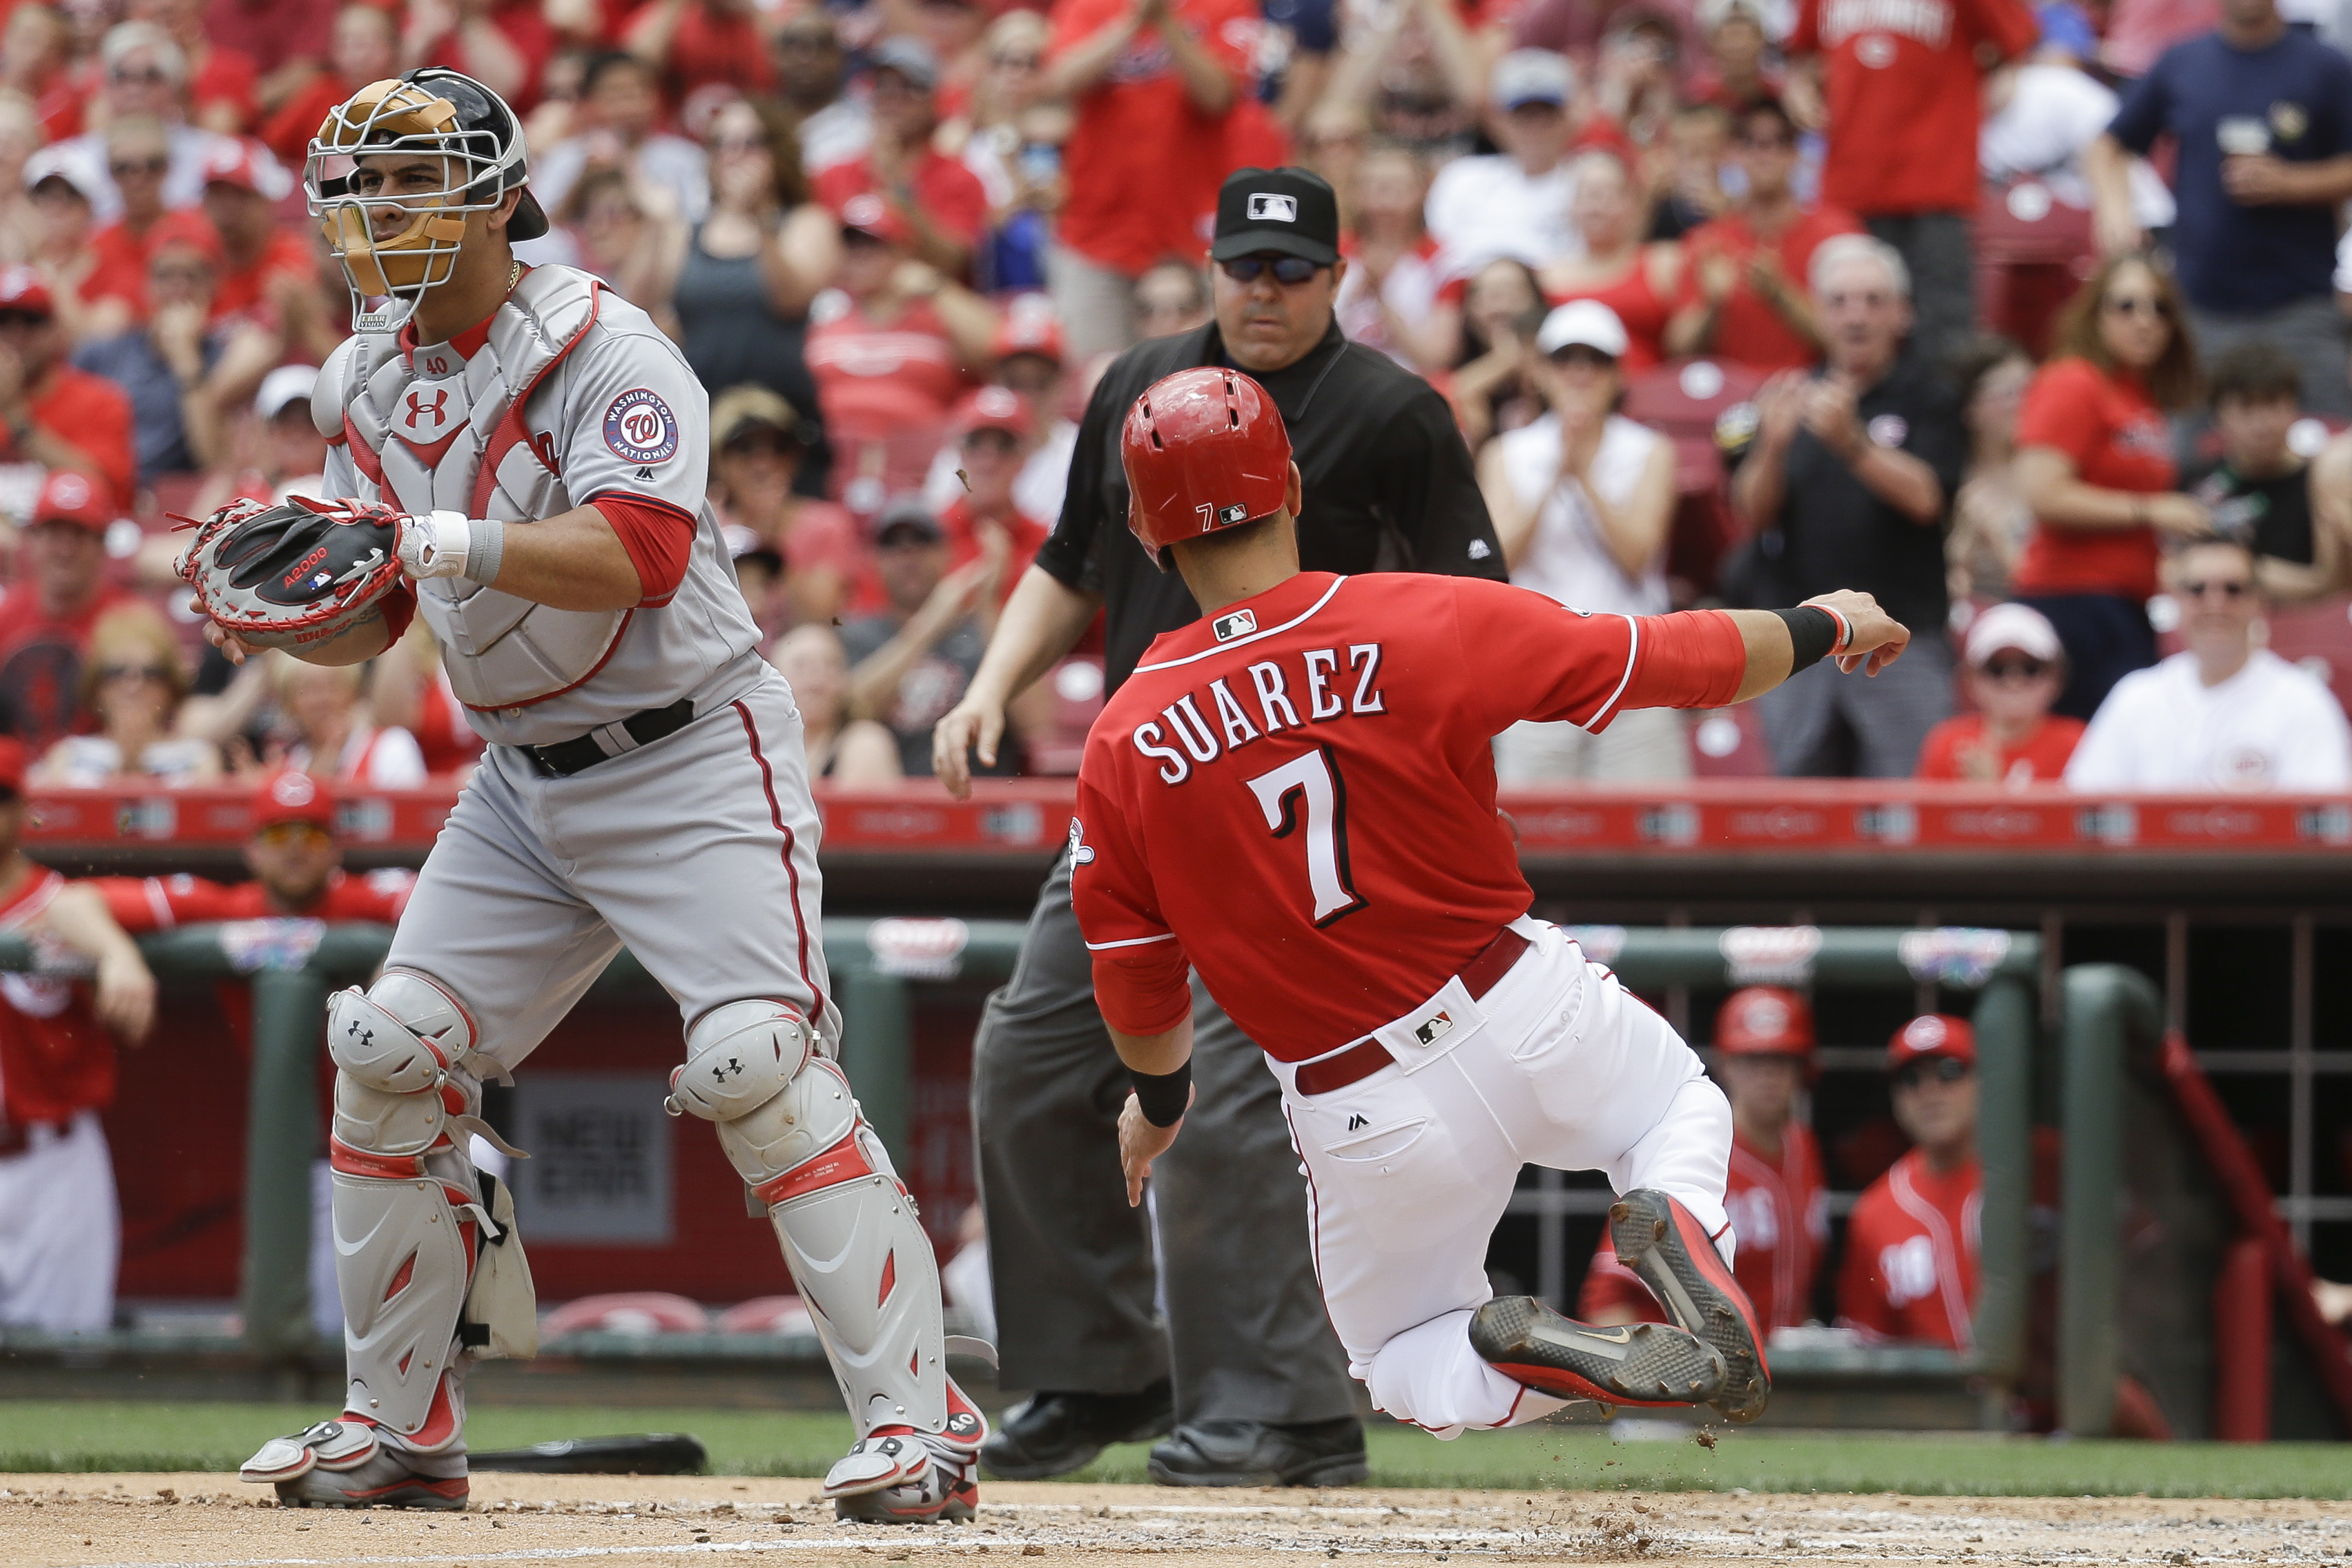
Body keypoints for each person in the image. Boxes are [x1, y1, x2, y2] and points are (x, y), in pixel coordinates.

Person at [222, 68, 984, 1522]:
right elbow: (385, 606)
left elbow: (635, 548)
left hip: (689, 748)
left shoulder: (602, 345)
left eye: (415, 179)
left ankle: (920, 1426)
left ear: (504, 195)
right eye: (364, 184)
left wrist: (434, 540)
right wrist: (299, 619)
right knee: (392, 1049)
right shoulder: (359, 379)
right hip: (521, 775)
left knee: (762, 1060)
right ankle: (401, 1423)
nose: (382, 210)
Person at [1076, 364, 1916, 1438]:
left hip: (1357, 1099)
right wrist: (1822, 624)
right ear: (1290, 484)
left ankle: (1572, 1361)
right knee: (1675, 1114)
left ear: (1149, 539)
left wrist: (1157, 1104)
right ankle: (1676, 1233)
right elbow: (1668, 659)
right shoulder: (1420, 615)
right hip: (1522, 999)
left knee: (1395, 1353)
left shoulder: (1123, 735)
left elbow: (1135, 977)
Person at [933, 166, 1504, 1490]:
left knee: (1235, 1102)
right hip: (1147, 784)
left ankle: (1284, 1411)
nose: (1263, 290)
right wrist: (985, 688)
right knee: (1027, 1058)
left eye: (1290, 270)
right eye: (1243, 266)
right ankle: (1093, 1372)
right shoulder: (1137, 379)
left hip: (1301, 808)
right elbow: (1073, 562)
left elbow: (1470, 621)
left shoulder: (1392, 411)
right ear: (1208, 263)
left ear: (1336, 276)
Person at [1728, 236, 1966, 776]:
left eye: (1872, 301)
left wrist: (1852, 443)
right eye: (1838, 302)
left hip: (1900, 638)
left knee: (1908, 807)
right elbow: (1750, 514)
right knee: (1797, 814)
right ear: (1818, 313)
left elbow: (1929, 499)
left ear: (1902, 314)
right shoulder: (1786, 396)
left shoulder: (1931, 396)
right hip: (1798, 639)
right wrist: (1772, 447)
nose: (1855, 316)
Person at [2086, 0, 2352, 417]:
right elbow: (2109, 146)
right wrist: (2116, 212)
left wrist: (2290, 182)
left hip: (2300, 304)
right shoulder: (2184, 61)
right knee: (2191, 455)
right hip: (2200, 307)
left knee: (2327, 440)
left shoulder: (2326, 66)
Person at [1481, 300, 1685, 781]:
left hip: (1633, 665)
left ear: (1617, 374)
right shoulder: (1506, 453)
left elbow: (1639, 555)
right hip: (1535, 669)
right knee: (1534, 838)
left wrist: (1584, 477)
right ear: (1543, 373)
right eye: (1565, 361)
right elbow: (1498, 561)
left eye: (1594, 361)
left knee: (1645, 833)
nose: (1579, 373)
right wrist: (1556, 474)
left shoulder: (1650, 451)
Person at [0, 736, 158, 1334]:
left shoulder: (61, 904)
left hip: (53, 1162)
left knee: (66, 1365)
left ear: (21, 809)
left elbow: (136, 1025)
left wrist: (116, 954)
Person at [1785, 0, 2034, 369]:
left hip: (1937, 187)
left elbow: (2016, 43)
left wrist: (1979, 102)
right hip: (1852, 185)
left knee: (1943, 343)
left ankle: (1937, 427)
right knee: (1848, 335)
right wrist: (1801, 93)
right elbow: (1801, 56)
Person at [2010, 255, 2207, 721]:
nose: (2145, 321)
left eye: (2159, 308)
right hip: (2071, 602)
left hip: (2124, 604)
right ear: (2094, 314)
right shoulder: (2072, 380)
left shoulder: (2140, 397)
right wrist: (2152, 511)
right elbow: (2043, 494)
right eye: (2126, 306)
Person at [1578, 987, 1829, 1339]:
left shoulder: (1804, 1149)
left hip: (1770, 1372)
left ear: (1803, 1069)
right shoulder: (1688, 1149)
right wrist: (1653, 1376)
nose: (1768, 1075)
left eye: (1781, 1060)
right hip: (1692, 1373)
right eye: (1752, 1060)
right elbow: (1606, 1297)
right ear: (1726, 1064)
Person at [1043, 0, 1250, 357]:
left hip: (1192, 233)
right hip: (1097, 232)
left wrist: (1166, 22)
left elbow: (1218, 96)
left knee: (1199, 379)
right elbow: (1062, 80)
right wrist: (1133, 20)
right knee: (1099, 379)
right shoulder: (1087, 6)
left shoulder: (1226, 6)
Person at [2066, 536, 2352, 790]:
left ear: (2258, 601)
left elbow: (2320, 822)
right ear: (2176, 598)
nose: (2215, 604)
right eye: (2197, 589)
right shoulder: (2135, 696)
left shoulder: (2302, 699)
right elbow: (2086, 802)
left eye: (2233, 589)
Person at [658, 97, 833, 438]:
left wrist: (759, 222)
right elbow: (653, 311)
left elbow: (790, 300)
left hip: (783, 416)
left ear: (778, 151)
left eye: (750, 144)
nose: (733, 155)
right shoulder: (685, 231)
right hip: (701, 414)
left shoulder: (806, 222)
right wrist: (655, 222)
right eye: (720, 144)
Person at [804, 197, 995, 507]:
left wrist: (937, 288)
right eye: (852, 244)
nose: (860, 254)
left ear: (903, 251)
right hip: (833, 467)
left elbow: (995, 348)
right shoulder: (826, 310)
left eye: (874, 243)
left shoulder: (934, 308)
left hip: (924, 473)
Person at [1666, 98, 1859, 373]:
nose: (1764, 153)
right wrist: (1714, 305)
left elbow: (1849, 340)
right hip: (1728, 398)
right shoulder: (1707, 242)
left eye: (1778, 142)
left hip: (1811, 388)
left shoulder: (1837, 235)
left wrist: (1779, 293)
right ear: (1734, 154)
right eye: (1751, 142)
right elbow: (1679, 349)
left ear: (1797, 154)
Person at [93, 771, 415, 929]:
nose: (295, 849)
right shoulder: (229, 908)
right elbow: (75, 903)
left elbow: (456, 909)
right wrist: (116, 956)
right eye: (278, 836)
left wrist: (397, 960)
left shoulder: (361, 900)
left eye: (312, 835)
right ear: (252, 851)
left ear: (336, 851)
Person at [1837, 1016, 1983, 1347]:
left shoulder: (2039, 1169)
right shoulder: (1874, 1213)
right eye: (1912, 1079)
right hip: (1937, 1398)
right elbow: (1869, 1346)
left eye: (1949, 1072)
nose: (1930, 1092)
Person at [842, 498, 1004, 778]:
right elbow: (851, 709)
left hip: (980, 801)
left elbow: (1037, 723)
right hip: (887, 805)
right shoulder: (853, 636)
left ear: (947, 553)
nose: (909, 557)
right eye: (894, 547)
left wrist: (989, 601)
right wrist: (932, 623)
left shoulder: (982, 630)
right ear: (874, 560)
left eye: (922, 543)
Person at [810, 39, 989, 280]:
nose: (893, 98)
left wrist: (900, 192)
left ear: (932, 100)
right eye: (882, 86)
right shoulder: (833, 174)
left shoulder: (960, 178)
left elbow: (952, 263)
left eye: (908, 88)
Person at [0, 470, 134, 755]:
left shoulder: (129, 623)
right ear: (31, 541)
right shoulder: (6, 617)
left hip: (98, 775)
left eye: (78, 534)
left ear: (102, 545)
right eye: (53, 533)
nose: (64, 549)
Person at [2191, 341, 2333, 602]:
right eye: (2246, 407)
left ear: (2295, 408)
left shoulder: (2323, 486)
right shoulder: (2196, 483)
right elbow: (2172, 569)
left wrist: (2231, 569)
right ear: (2217, 415)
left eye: (2274, 403)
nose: (2262, 423)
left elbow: (2331, 584)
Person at [1423, 50, 1581, 277]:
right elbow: (1439, 262)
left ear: (1568, 118)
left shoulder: (1586, 185)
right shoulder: (1462, 179)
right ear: (1499, 121)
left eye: (1547, 115)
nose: (1535, 128)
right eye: (1523, 116)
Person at [32, 602, 220, 786]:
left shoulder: (198, 758)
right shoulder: (66, 757)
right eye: (117, 672)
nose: (133, 686)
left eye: (149, 672)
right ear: (97, 687)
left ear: (169, 687)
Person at [0, 268, 138, 508]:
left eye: (31, 321)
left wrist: (15, 414)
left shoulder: (101, 400)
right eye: (4, 323)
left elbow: (106, 494)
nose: (16, 336)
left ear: (57, 331)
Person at [1534, 150, 1680, 373]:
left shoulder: (1664, 263)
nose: (1597, 205)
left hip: (1652, 395)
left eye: (1607, 194)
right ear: (1571, 207)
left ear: (1631, 204)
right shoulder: (1544, 277)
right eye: (1587, 194)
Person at [528, 50, 708, 228]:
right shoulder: (566, 156)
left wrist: (631, 174)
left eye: (633, 95)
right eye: (614, 96)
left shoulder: (684, 157)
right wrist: (583, 178)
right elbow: (541, 229)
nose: (626, 107)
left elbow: (698, 222)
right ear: (589, 103)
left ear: (655, 99)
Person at [1914, 601, 2083, 783]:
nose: (2014, 682)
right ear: (1970, 680)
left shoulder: (2078, 745)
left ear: (2056, 677)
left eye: (2030, 668)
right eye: (1997, 668)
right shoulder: (1946, 744)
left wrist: (1995, 791)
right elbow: (1926, 811)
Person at [1945, 336, 2037, 602]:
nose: (2024, 403)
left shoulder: (2049, 475)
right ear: (1971, 408)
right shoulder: (1950, 479)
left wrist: (1999, 536)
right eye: (2009, 393)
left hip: (2041, 608)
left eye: (2032, 390)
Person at [264, 654, 429, 788]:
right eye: (307, 689)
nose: (322, 699)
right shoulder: (288, 762)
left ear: (354, 692)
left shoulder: (391, 745)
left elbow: (409, 813)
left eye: (332, 685)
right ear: (289, 704)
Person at [767, 625, 902, 787]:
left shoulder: (865, 742)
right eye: (800, 666)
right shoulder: (753, 744)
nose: (815, 679)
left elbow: (855, 810)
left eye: (829, 666)